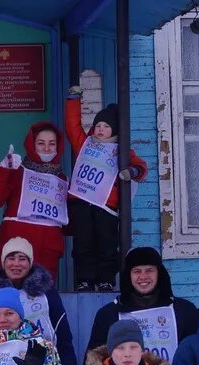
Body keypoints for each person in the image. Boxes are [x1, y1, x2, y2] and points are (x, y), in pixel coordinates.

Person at [64, 92, 148, 291]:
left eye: (106, 127)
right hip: (82, 202)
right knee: (83, 244)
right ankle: (84, 279)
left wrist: (131, 171)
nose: (101, 130)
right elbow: (72, 126)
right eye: (98, 126)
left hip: (106, 207)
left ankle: (106, 280)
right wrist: (73, 100)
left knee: (107, 245)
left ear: (115, 129)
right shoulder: (84, 143)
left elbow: (140, 167)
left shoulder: (121, 149)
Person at [0, 237, 81, 365]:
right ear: (3, 262)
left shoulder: (46, 293)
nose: (16, 264)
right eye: (11, 258)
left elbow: (63, 339)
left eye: (22, 259)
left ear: (30, 262)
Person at [0, 123, 70, 279]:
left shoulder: (63, 179)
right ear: (32, 144)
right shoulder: (17, 170)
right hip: (15, 245)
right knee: (6, 295)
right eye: (41, 143)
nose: (47, 148)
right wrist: (3, 169)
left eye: (52, 144)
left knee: (41, 298)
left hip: (47, 250)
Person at [87, 246, 199, 364]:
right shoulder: (108, 314)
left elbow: (197, 356)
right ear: (128, 275)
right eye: (137, 271)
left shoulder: (184, 311)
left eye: (149, 270)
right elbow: (93, 362)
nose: (143, 277)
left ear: (159, 273)